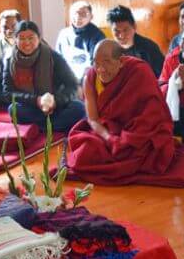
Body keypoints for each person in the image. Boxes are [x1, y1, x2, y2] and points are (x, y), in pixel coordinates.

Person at [66, 41, 175, 181]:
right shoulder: (90, 77)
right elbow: (92, 119)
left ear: (121, 61)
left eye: (106, 62)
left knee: (149, 150)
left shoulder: (139, 71)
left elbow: (152, 115)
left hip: (136, 130)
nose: (101, 70)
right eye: (96, 63)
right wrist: (109, 138)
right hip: (106, 128)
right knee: (84, 153)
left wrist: (126, 138)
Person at [3, 20, 84, 132]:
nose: (26, 42)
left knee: (79, 108)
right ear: (15, 40)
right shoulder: (10, 61)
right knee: (13, 109)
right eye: (21, 38)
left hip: (55, 105)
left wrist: (55, 101)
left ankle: (40, 127)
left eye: (31, 38)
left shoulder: (53, 57)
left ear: (39, 38)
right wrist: (37, 100)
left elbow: (72, 85)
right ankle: (53, 126)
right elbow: (8, 92)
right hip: (31, 106)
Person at [106, 5, 164, 78]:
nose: (121, 35)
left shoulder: (149, 48)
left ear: (134, 27)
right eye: (116, 31)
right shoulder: (109, 51)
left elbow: (163, 76)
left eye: (125, 30)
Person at [56, 0, 105, 81]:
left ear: (91, 16)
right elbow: (58, 58)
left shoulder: (97, 35)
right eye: (75, 13)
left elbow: (98, 62)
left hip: (90, 79)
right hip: (67, 79)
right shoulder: (63, 34)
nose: (78, 17)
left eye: (83, 14)